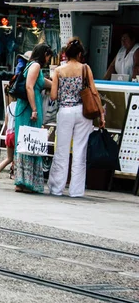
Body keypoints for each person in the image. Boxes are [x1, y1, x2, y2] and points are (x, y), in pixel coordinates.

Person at [48, 38, 105, 197]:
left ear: (66, 54)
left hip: (65, 111)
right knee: (80, 151)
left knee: (62, 150)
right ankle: (76, 191)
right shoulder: (86, 69)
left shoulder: (59, 71)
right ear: (80, 54)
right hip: (83, 112)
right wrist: (101, 114)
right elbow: (94, 92)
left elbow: (53, 96)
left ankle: (57, 188)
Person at [13, 43, 53, 193]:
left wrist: (57, 81)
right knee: (29, 141)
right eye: (49, 56)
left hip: (27, 107)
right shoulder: (35, 66)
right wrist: (35, 110)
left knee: (25, 142)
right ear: (44, 54)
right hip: (29, 109)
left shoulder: (33, 66)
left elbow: (40, 83)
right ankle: (25, 182)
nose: (49, 59)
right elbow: (30, 86)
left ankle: (22, 181)